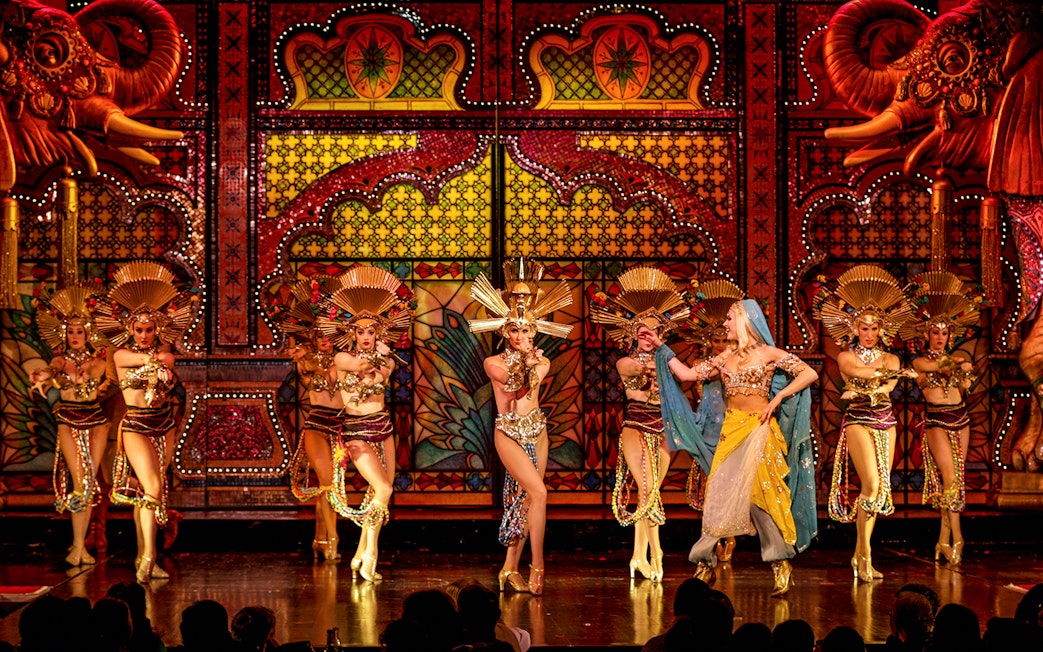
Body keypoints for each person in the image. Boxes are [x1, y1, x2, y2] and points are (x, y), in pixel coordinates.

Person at [650, 299, 818, 597]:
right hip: (731, 432)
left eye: (729, 318)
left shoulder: (768, 353)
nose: (725, 323)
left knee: (761, 496)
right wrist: (661, 347)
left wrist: (778, 399)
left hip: (760, 429)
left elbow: (808, 373)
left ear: (743, 319)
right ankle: (704, 563)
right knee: (719, 495)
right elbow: (688, 375)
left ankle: (780, 563)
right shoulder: (723, 358)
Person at [468, 257, 573, 596]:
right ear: (504, 330)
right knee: (539, 492)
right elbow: (515, 394)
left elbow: (533, 390)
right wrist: (527, 364)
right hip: (508, 432)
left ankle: (509, 568)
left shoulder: (542, 361)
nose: (519, 335)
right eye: (514, 329)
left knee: (527, 500)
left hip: (537, 430)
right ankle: (538, 567)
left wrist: (533, 364)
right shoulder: (492, 362)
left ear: (535, 331)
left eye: (526, 330)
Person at [813, 265, 916, 582]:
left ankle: (861, 554)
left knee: (877, 490)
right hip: (858, 420)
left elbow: (888, 385)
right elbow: (861, 374)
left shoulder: (892, 358)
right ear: (854, 328)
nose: (868, 333)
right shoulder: (845, 356)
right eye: (863, 327)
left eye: (873, 328)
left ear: (882, 329)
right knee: (870, 485)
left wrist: (885, 381)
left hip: (886, 419)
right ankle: (864, 554)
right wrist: (883, 378)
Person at [590, 267, 690, 582]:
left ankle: (637, 556)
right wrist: (655, 368)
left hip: (663, 430)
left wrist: (662, 353)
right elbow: (633, 372)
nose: (647, 336)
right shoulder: (625, 362)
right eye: (642, 331)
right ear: (632, 334)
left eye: (653, 331)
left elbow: (682, 376)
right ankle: (656, 553)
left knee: (651, 492)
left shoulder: (668, 361)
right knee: (646, 489)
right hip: (635, 427)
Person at [98, 260, 194, 583]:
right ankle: (150, 557)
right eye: (138, 329)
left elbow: (167, 363)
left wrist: (162, 366)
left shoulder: (166, 356)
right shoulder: (122, 355)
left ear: (158, 329)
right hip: (136, 426)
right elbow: (132, 359)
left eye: (149, 329)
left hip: (163, 425)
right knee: (152, 486)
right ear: (129, 330)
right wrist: (155, 361)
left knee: (149, 494)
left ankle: (144, 554)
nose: (143, 334)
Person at [319, 266, 413, 582]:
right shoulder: (343, 359)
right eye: (361, 332)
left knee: (380, 492)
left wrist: (382, 358)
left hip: (383, 427)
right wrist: (377, 358)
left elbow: (381, 369)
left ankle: (360, 554)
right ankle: (370, 552)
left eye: (372, 332)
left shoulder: (385, 361)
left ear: (379, 333)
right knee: (383, 487)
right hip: (356, 432)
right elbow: (362, 365)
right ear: (352, 333)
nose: (367, 337)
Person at [901, 271, 980, 567]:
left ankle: (943, 539)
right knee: (951, 478)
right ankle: (958, 539)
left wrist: (962, 369)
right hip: (937, 422)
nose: (940, 337)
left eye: (945, 333)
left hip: (961, 419)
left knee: (956, 479)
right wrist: (957, 366)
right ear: (926, 334)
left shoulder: (958, 359)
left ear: (950, 335)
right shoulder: (920, 362)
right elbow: (944, 367)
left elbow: (963, 378)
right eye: (935, 332)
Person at [31, 282, 112, 566]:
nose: (75, 336)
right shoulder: (58, 360)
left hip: (96, 421)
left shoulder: (98, 364)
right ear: (63, 333)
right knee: (80, 481)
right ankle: (77, 545)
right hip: (68, 419)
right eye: (70, 331)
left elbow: (101, 380)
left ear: (88, 334)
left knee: (89, 484)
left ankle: (79, 547)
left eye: (80, 331)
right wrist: (43, 374)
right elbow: (49, 370)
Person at [276, 277, 346, 562]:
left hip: (343, 426)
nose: (325, 341)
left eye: (331, 336)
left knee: (333, 486)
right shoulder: (305, 359)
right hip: (317, 425)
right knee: (329, 484)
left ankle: (320, 538)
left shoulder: (346, 360)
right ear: (314, 337)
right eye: (321, 336)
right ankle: (333, 541)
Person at [683, 278, 746, 563]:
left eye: (725, 339)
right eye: (716, 340)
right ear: (709, 341)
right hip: (708, 429)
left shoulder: (735, 362)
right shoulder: (702, 366)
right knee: (713, 486)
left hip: (730, 427)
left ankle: (729, 535)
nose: (721, 344)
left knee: (730, 483)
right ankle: (715, 536)